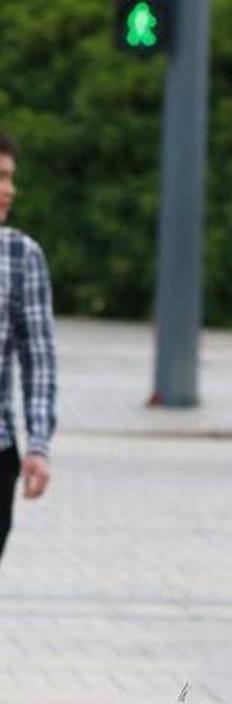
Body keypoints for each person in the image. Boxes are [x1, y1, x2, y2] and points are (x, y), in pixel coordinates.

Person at [0, 130, 55, 564]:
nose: (9, 189)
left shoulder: (21, 256)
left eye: (10, 177)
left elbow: (38, 360)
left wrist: (38, 444)